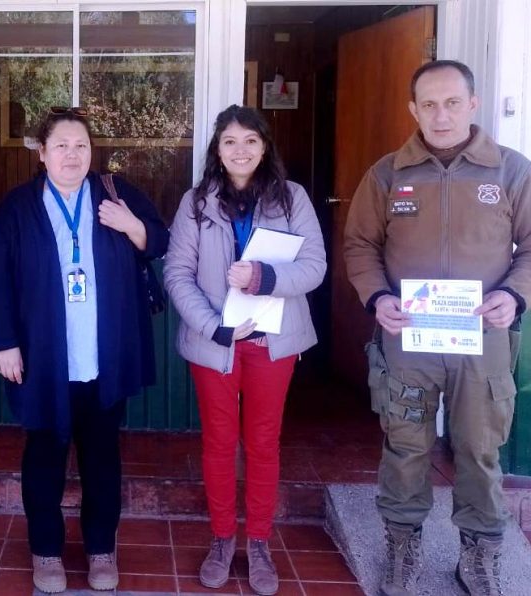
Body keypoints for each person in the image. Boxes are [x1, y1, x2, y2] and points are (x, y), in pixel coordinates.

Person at [343, 60, 531, 596]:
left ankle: (480, 555)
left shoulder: (510, 172)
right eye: (429, 104)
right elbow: (360, 246)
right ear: (413, 109)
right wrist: (376, 297)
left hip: (481, 342)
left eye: (452, 102)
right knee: (405, 446)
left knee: (479, 451)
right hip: (407, 338)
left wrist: (514, 296)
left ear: (472, 104)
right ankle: (401, 547)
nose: (441, 115)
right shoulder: (388, 173)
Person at [0, 107, 168, 593]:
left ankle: (101, 548)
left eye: (80, 145)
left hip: (104, 356)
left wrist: (131, 225)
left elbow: (158, 241)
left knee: (102, 455)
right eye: (60, 145)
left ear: (92, 152)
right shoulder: (19, 207)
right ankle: (46, 552)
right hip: (42, 359)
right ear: (41, 153)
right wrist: (4, 343)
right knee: (44, 454)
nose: (71, 154)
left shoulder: (115, 193)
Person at [164, 105, 326, 596]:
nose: (240, 150)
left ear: (265, 147)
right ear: (217, 148)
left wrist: (264, 278)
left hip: (272, 344)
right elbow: (177, 274)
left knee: (262, 443)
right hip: (216, 346)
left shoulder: (291, 198)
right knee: (217, 443)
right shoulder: (196, 203)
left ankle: (257, 541)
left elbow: (315, 265)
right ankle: (221, 539)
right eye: (230, 141)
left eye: (250, 141)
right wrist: (215, 328)